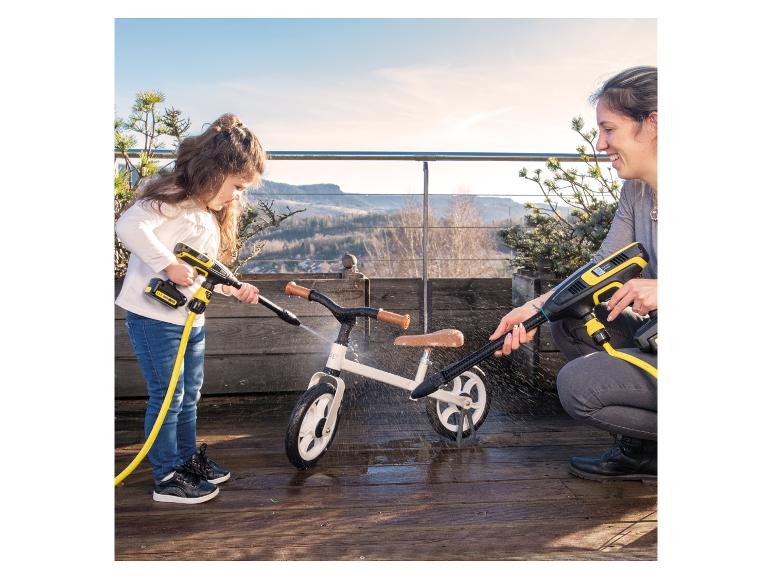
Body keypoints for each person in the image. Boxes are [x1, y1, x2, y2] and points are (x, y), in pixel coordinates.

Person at [490, 66, 658, 482]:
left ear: (654, 123)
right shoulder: (635, 192)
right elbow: (603, 267)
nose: (600, 144)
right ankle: (645, 453)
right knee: (570, 320)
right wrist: (534, 310)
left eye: (609, 130)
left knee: (579, 386)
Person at [115, 114, 264, 503]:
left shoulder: (205, 213)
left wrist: (234, 288)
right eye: (236, 186)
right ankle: (167, 475)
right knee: (168, 395)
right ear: (215, 170)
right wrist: (168, 265)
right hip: (155, 319)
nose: (237, 196)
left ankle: (185, 459)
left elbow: (204, 271)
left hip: (189, 321)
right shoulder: (175, 199)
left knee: (188, 394)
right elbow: (128, 225)